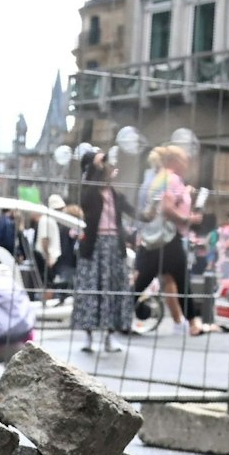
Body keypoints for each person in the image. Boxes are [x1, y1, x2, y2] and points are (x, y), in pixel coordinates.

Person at [134, 145, 201, 335]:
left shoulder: (157, 178)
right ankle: (192, 322)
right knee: (181, 279)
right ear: (175, 161)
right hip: (168, 237)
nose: (187, 165)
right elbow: (166, 208)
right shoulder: (171, 179)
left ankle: (184, 322)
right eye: (185, 160)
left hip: (155, 237)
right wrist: (189, 219)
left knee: (154, 279)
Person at [74, 148, 134, 353]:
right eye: (101, 162)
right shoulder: (89, 190)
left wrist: (154, 209)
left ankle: (109, 336)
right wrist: (99, 168)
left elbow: (133, 212)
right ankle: (89, 336)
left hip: (113, 245)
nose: (107, 165)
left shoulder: (115, 194)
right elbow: (88, 196)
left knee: (112, 289)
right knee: (92, 289)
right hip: (94, 246)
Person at [35, 197, 63, 303]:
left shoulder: (49, 219)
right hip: (46, 257)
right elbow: (44, 240)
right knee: (48, 284)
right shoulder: (47, 220)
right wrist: (48, 258)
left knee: (49, 283)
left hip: (48, 256)